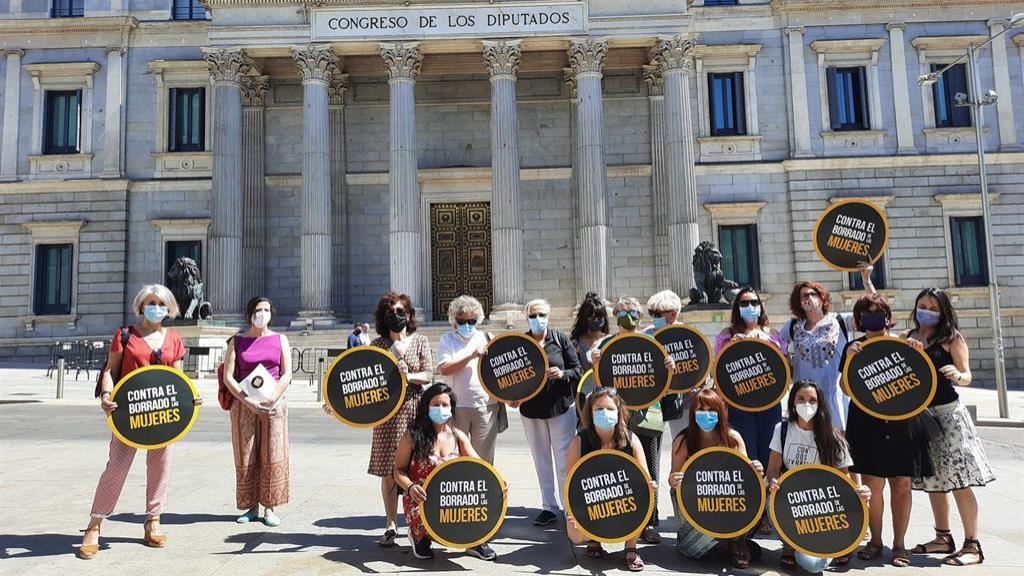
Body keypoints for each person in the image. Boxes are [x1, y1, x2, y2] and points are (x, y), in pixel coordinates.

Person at [78, 284, 199, 559]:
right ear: (141, 306)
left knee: (160, 466)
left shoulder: (174, 339)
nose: (155, 307)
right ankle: (94, 525)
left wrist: (190, 400)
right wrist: (106, 394)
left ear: (169, 308)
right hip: (128, 414)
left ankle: (153, 520)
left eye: (161, 303)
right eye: (150, 302)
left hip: (162, 415)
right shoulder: (125, 335)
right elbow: (110, 370)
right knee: (116, 468)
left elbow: (178, 380)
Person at [906, 288, 994, 566]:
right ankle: (942, 537)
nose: (927, 310)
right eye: (923, 305)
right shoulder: (909, 338)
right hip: (922, 417)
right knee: (934, 481)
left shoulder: (951, 338)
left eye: (933, 306)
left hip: (949, 415)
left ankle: (973, 545)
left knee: (959, 480)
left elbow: (967, 375)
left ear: (942, 311)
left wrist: (958, 374)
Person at [843, 293, 932, 567]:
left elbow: (921, 381)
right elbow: (846, 388)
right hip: (867, 424)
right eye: (867, 314)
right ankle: (875, 541)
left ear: (888, 318)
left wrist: (916, 353)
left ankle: (899, 545)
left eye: (879, 313)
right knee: (873, 487)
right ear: (859, 320)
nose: (874, 318)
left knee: (902, 485)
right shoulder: (854, 348)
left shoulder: (904, 345)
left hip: (902, 423)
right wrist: (849, 360)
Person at [591, 296, 674, 544]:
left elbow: (664, 384)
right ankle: (619, 517)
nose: (629, 316)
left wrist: (670, 367)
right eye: (624, 312)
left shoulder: (652, 342)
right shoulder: (605, 344)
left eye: (634, 312)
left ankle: (650, 521)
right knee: (616, 469)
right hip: (617, 419)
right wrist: (596, 363)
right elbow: (599, 386)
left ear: (640, 315)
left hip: (649, 416)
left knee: (649, 470)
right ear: (616, 316)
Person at [765, 380, 871, 572]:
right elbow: (772, 469)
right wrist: (773, 481)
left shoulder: (833, 436)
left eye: (813, 400)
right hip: (792, 500)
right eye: (801, 399)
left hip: (823, 505)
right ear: (793, 402)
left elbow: (845, 479)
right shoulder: (782, 430)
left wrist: (861, 492)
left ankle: (836, 545)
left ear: (820, 404)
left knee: (812, 565)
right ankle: (790, 545)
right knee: (772, 500)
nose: (807, 404)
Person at [393, 384, 499, 561]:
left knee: (474, 501)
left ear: (451, 408)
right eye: (435, 404)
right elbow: (398, 470)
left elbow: (481, 469)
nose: (440, 409)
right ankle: (418, 536)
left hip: (451, 500)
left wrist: (499, 482)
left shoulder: (458, 436)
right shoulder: (411, 436)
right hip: (420, 500)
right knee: (425, 543)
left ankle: (475, 541)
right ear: (426, 406)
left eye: (445, 405)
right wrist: (410, 487)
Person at [366, 292, 434, 548]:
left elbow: (429, 374)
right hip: (387, 415)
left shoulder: (421, 341)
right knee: (388, 471)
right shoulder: (377, 345)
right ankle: (391, 524)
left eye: (400, 311)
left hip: (414, 409)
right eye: (391, 311)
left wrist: (408, 375)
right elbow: (367, 379)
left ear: (409, 314)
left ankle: (418, 523)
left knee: (417, 468)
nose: (396, 315)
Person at [714, 285, 784, 535]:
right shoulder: (726, 334)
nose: (749, 306)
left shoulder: (773, 335)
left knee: (768, 456)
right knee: (746, 456)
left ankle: (765, 512)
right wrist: (731, 345)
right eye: (744, 303)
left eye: (753, 302)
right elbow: (717, 370)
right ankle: (749, 513)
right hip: (739, 406)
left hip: (768, 405)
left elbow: (784, 368)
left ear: (760, 306)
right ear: (737, 308)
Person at [667, 388, 763, 568]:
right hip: (696, 503)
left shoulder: (733, 439)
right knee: (693, 551)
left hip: (726, 503)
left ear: (720, 412)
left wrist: (756, 471)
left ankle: (734, 541)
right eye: (701, 409)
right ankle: (728, 544)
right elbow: (672, 477)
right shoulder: (683, 440)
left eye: (712, 410)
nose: (706, 414)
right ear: (693, 412)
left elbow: (746, 477)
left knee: (759, 493)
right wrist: (675, 480)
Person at [566, 388, 658, 571]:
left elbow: (645, 476)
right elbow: (571, 485)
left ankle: (631, 547)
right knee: (575, 534)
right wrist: (572, 513)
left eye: (609, 408)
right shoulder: (579, 442)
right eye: (598, 409)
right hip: (593, 500)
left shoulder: (631, 440)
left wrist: (651, 484)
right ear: (590, 413)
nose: (604, 413)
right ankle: (594, 539)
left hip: (624, 499)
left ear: (619, 411)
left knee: (645, 496)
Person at [222, 297, 292, 527]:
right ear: (250, 313)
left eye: (266, 310)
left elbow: (286, 373)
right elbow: (229, 377)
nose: (262, 314)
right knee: (246, 454)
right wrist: (246, 400)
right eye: (258, 310)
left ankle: (269, 507)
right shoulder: (237, 341)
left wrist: (273, 397)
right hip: (244, 405)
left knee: (272, 454)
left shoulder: (280, 339)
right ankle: (250, 506)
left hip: (274, 404)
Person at [779, 264, 875, 431]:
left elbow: (874, 308)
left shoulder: (840, 321)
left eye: (812, 294)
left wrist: (866, 281)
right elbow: (775, 345)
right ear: (798, 302)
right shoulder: (793, 327)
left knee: (838, 448)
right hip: (805, 400)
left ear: (822, 297)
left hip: (835, 398)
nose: (808, 298)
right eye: (803, 296)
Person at [516, 299, 583, 527]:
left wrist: (562, 373)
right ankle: (549, 506)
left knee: (564, 459)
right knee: (541, 458)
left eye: (541, 314)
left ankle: (568, 507)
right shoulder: (522, 342)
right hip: (531, 410)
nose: (538, 319)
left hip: (560, 407)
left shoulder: (560, 339)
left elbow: (578, 370)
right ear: (527, 318)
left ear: (549, 315)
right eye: (533, 315)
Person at [437, 295, 505, 463]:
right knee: (456, 457)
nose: (467, 325)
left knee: (483, 459)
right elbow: (444, 369)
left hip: (485, 406)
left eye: (472, 321)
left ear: (478, 320)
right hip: (457, 407)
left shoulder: (487, 338)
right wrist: (470, 356)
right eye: (462, 321)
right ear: (454, 321)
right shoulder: (447, 340)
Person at [644, 290, 689, 441]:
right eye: (652, 314)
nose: (654, 318)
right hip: (653, 400)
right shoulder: (647, 335)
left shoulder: (687, 335)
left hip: (682, 400)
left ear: (673, 314)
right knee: (653, 443)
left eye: (658, 314)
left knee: (682, 442)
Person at [570, 292, 609, 374]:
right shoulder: (576, 344)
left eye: (600, 316)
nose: (596, 320)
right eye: (592, 317)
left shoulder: (610, 340)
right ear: (585, 319)